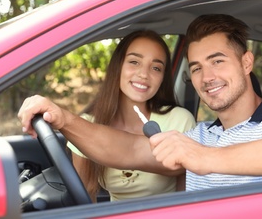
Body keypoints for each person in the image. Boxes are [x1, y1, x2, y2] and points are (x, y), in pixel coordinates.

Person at [18, 14, 262, 192]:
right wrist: (63, 119)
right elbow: (123, 150)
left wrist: (208, 159)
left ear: (246, 63)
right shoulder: (199, 135)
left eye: (218, 61)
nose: (206, 77)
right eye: (196, 68)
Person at [66, 30, 195, 201]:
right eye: (134, 62)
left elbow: (186, 199)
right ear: (118, 66)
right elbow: (85, 196)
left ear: (163, 78)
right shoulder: (88, 125)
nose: (143, 74)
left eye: (156, 68)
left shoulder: (180, 120)